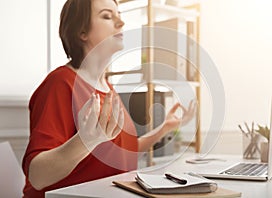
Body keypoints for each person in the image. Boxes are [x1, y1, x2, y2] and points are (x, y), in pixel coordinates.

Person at [22, 0, 196, 197]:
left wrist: (165, 128)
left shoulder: (107, 87)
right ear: (82, 32)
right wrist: (85, 142)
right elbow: (37, 176)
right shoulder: (60, 84)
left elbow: (123, 152)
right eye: (107, 16)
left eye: (119, 15)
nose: (121, 22)